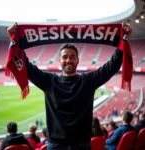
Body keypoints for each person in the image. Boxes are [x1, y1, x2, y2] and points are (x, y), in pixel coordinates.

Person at [7, 22, 132, 150]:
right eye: (65, 57)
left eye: (72, 57)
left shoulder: (88, 80)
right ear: (60, 61)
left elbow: (112, 66)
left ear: (78, 60)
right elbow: (26, 67)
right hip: (56, 146)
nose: (68, 60)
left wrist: (124, 39)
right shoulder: (48, 81)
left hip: (81, 145)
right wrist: (15, 40)